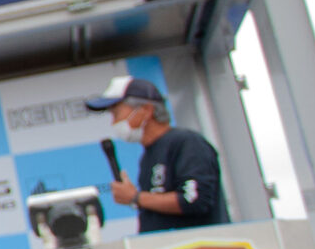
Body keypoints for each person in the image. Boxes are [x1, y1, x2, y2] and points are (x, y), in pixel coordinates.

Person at [88, 74, 225, 233]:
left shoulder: (187, 142)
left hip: (198, 248)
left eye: (116, 114)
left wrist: (136, 197)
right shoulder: (148, 156)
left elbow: (194, 200)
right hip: (165, 248)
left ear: (146, 110)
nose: (113, 122)